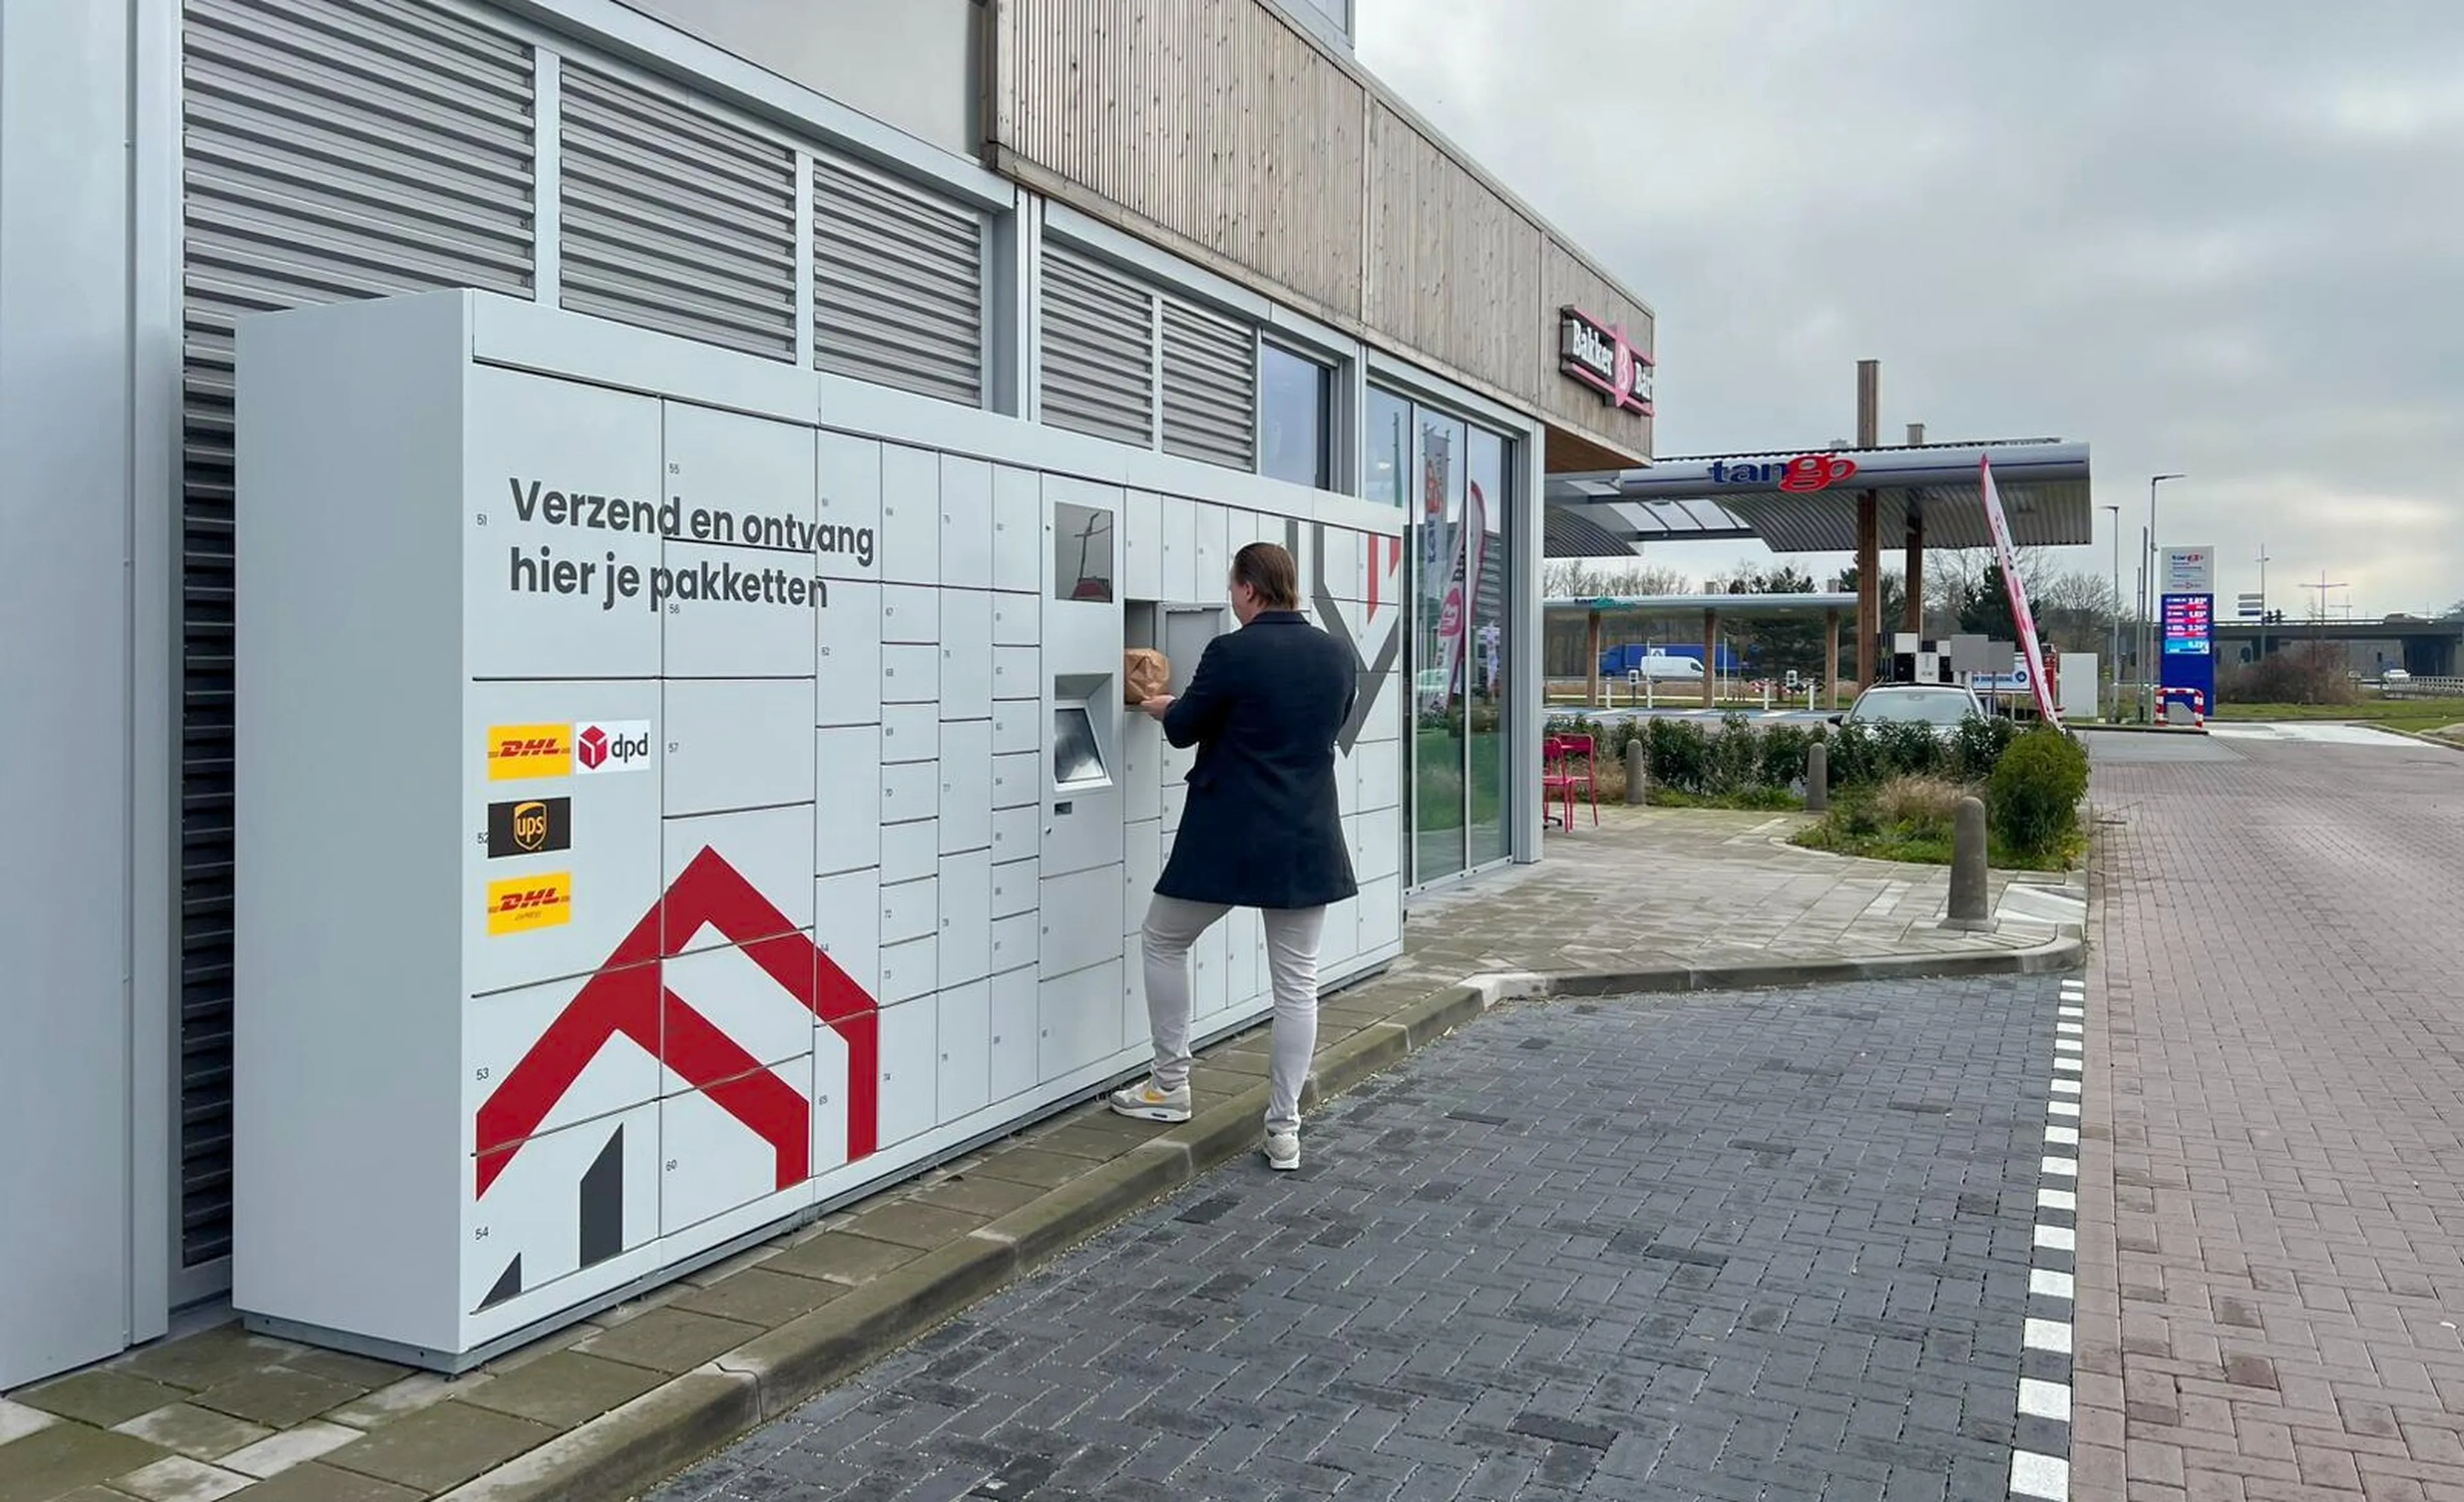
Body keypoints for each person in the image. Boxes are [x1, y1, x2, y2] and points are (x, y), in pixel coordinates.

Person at [1108, 541, 1357, 1170]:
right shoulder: (1336, 655)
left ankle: (1169, 1085)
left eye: (1232, 586)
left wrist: (1160, 705)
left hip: (1227, 835)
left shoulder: (1231, 651)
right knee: (1297, 985)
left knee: (1163, 940)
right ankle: (1284, 1130)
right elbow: (1312, 729)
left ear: (1249, 588)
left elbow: (1186, 726)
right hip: (1306, 837)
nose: (1231, 597)